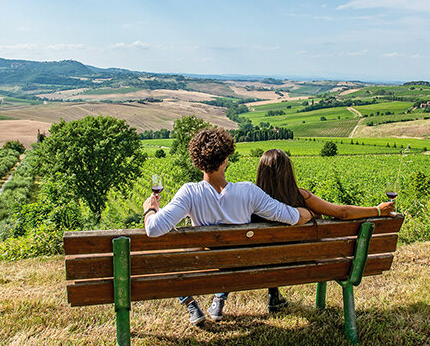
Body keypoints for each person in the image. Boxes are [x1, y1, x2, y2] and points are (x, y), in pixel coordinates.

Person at [143, 128, 312, 325]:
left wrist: (150, 209)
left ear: (198, 163)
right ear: (225, 160)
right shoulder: (249, 192)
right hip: (237, 266)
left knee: (174, 257)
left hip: (203, 264)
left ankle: (190, 303)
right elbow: (293, 217)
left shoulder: (189, 193)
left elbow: (153, 229)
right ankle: (217, 300)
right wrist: (309, 212)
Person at [255, 148, 397, 312]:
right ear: (288, 172)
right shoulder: (300, 196)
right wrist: (377, 210)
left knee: (274, 251)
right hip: (307, 263)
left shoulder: (254, 200)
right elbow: (342, 213)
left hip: (265, 265)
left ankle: (273, 294)